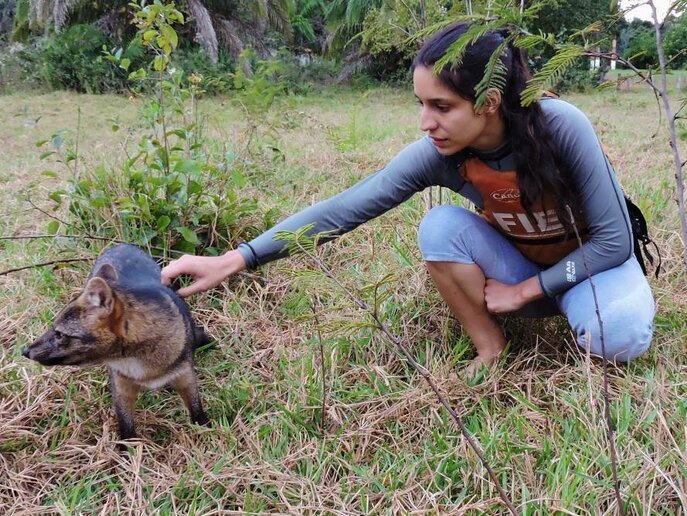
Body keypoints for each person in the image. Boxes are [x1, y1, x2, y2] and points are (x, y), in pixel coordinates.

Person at [161, 22, 655, 372]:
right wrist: (237, 258)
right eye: (421, 104)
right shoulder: (441, 153)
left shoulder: (562, 126)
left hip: (594, 267)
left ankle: (582, 311)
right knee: (439, 226)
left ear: (488, 103)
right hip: (521, 264)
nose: (425, 122)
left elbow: (613, 242)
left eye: (442, 106)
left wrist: (526, 291)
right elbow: (343, 209)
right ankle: (490, 348)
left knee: (621, 336)